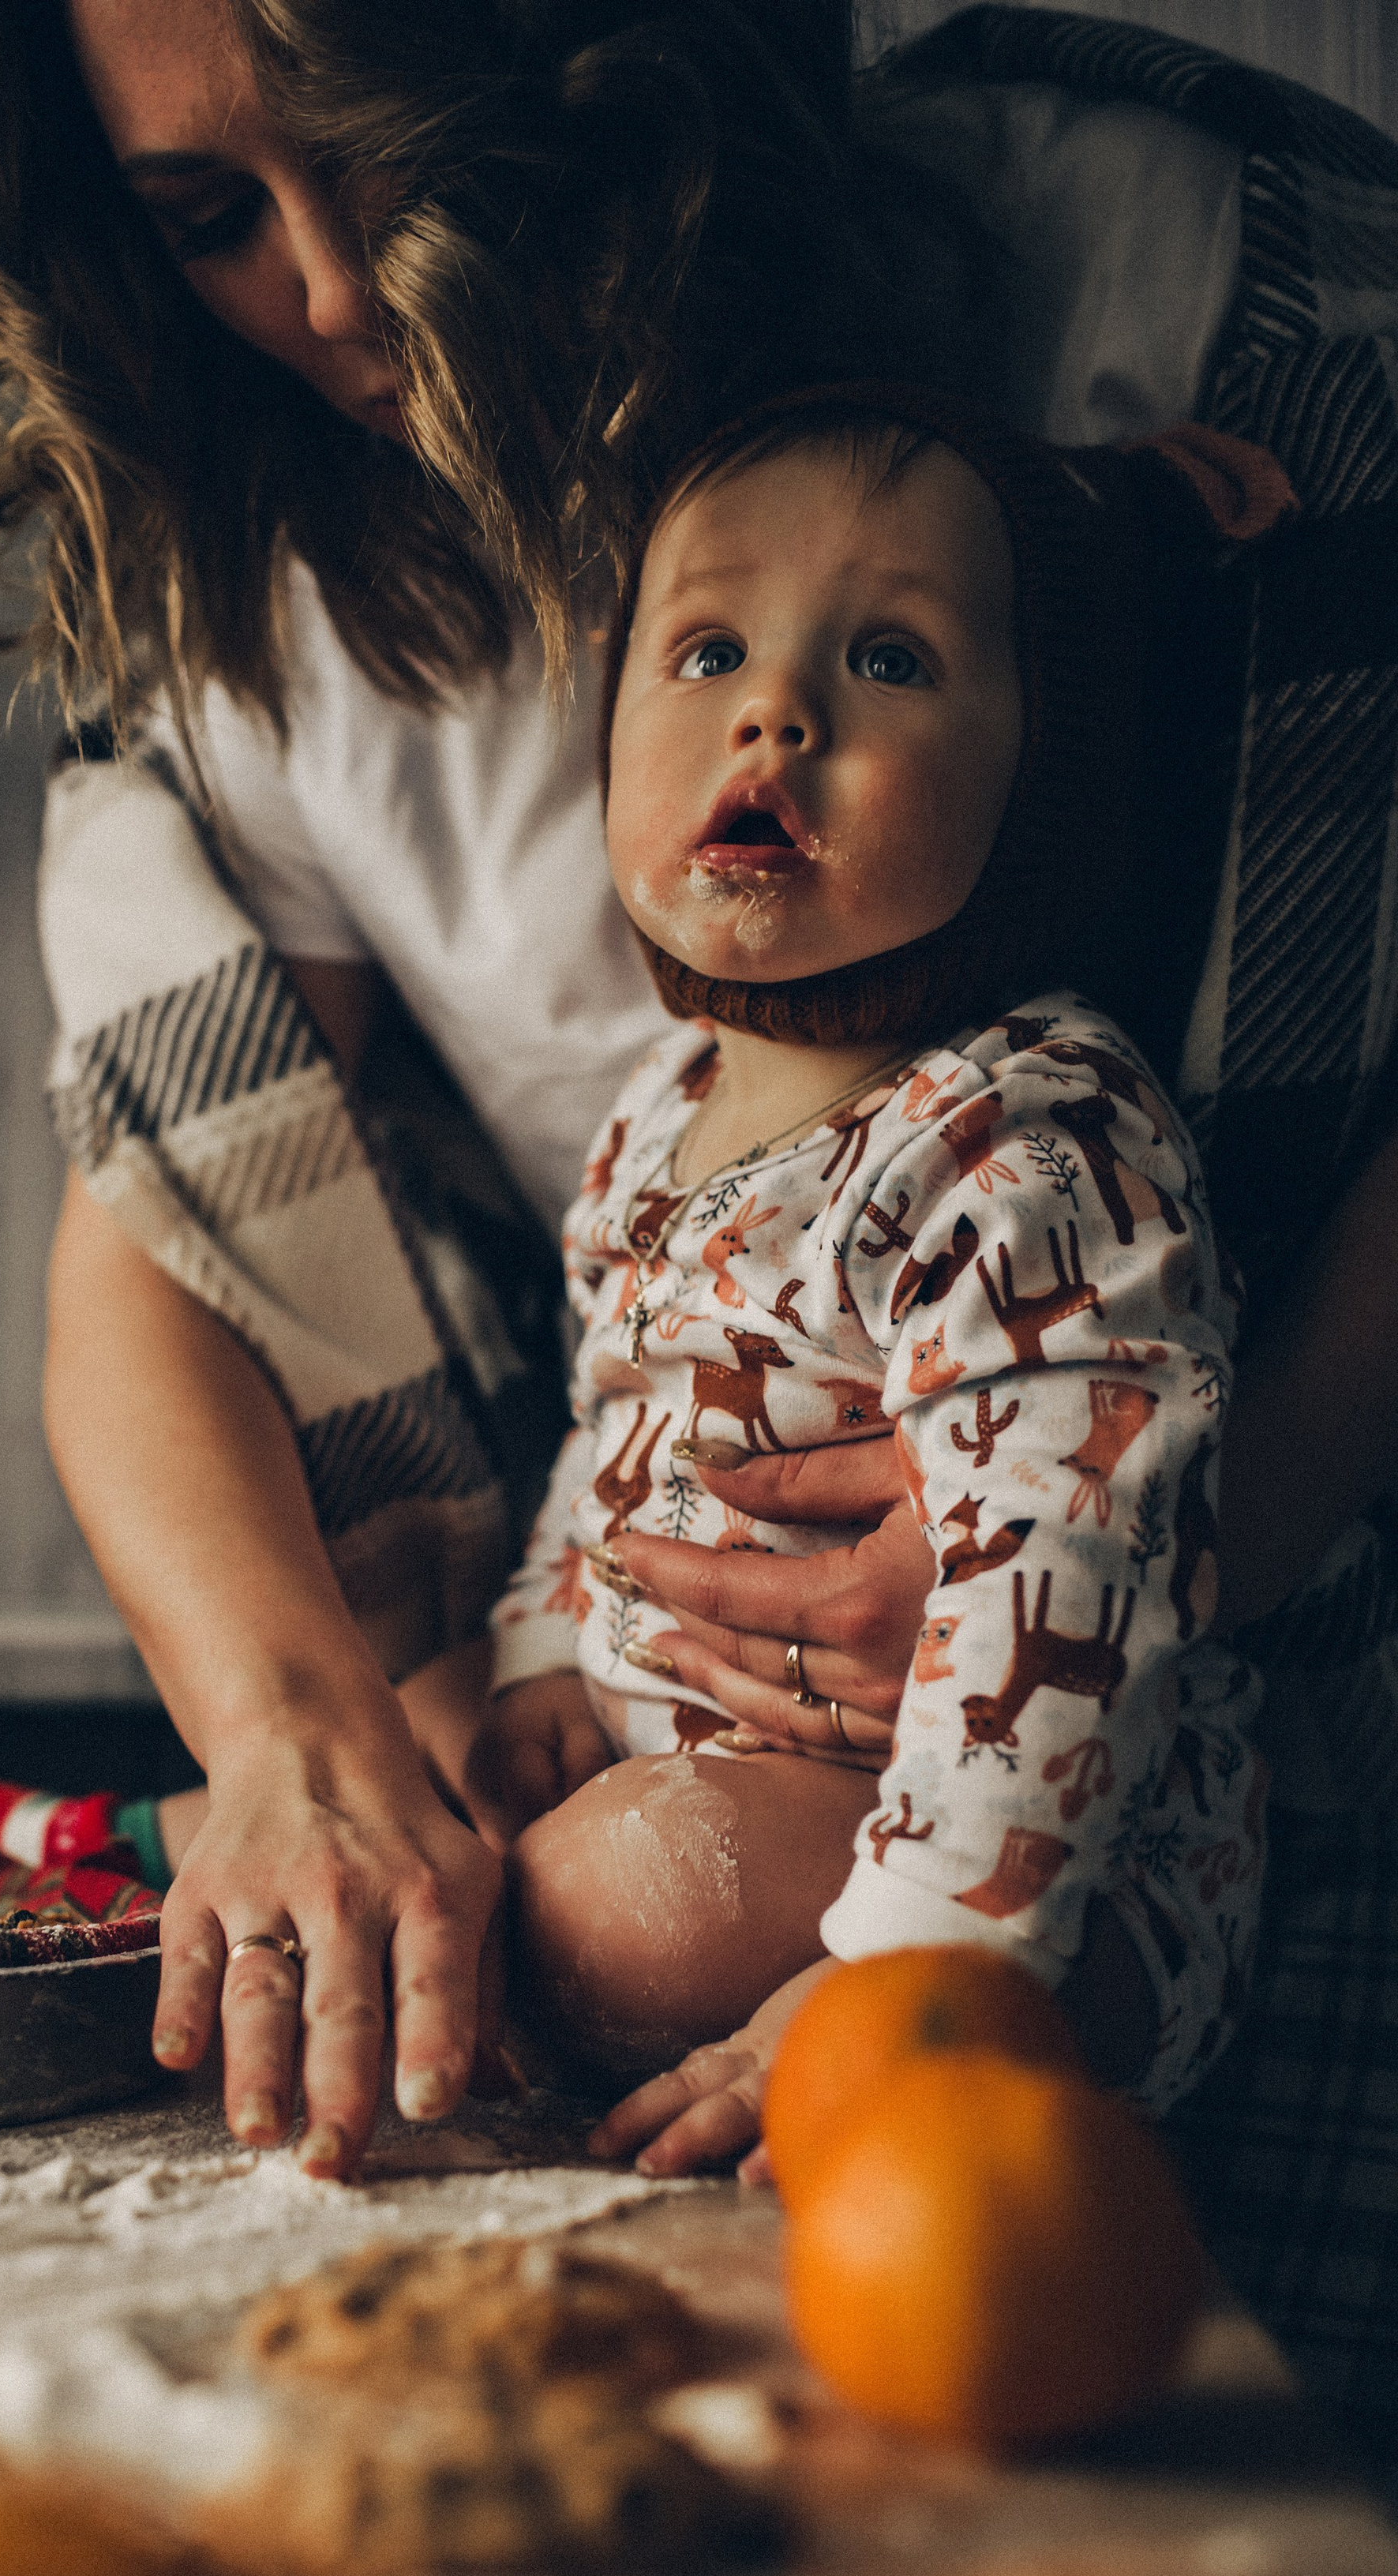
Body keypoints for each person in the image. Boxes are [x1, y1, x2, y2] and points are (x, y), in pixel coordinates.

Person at [0, 2, 1398, 2469]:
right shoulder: (308, 633)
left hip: (1152, 1791)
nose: (334, 294)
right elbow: (191, 1242)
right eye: (205, 221)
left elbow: (1114, 1524)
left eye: (399, 163)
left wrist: (1140, 1556)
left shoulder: (1155, 274)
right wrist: (360, 1716)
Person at [475, 387, 1265, 2171]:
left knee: (604, 1904)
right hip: (762, 1789)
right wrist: (539, 1650)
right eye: (703, 648)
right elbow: (602, 1420)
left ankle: (881, 2005)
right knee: (481, 1815)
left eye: (891, 660)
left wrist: (918, 1962)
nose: (774, 707)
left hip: (1066, 1864)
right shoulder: (652, 1113)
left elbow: (1070, 1574)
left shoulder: (1024, 1136)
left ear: (1045, 776)